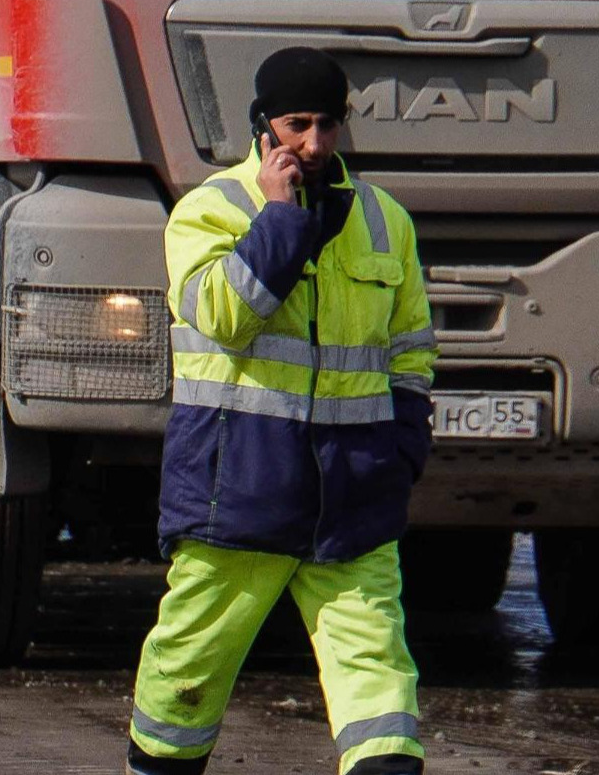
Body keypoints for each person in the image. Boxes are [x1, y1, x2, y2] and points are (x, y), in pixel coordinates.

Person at [125, 47, 436, 775]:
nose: (316, 144)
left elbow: (411, 350)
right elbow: (225, 317)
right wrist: (279, 219)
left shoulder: (384, 219)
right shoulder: (209, 212)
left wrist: (402, 447)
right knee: (189, 667)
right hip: (238, 490)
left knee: (380, 682)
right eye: (298, 124)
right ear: (262, 126)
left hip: (352, 497)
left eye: (330, 124)